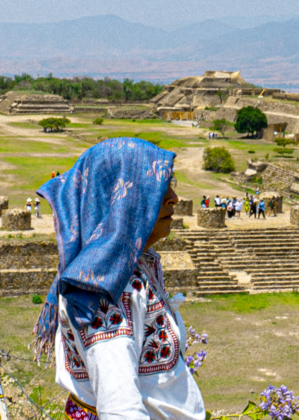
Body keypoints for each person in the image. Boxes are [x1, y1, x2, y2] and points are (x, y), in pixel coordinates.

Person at [32, 137, 205, 420]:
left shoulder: (134, 265)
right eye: (160, 187)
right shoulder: (102, 290)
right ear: (124, 198)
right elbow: (121, 410)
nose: (174, 197)